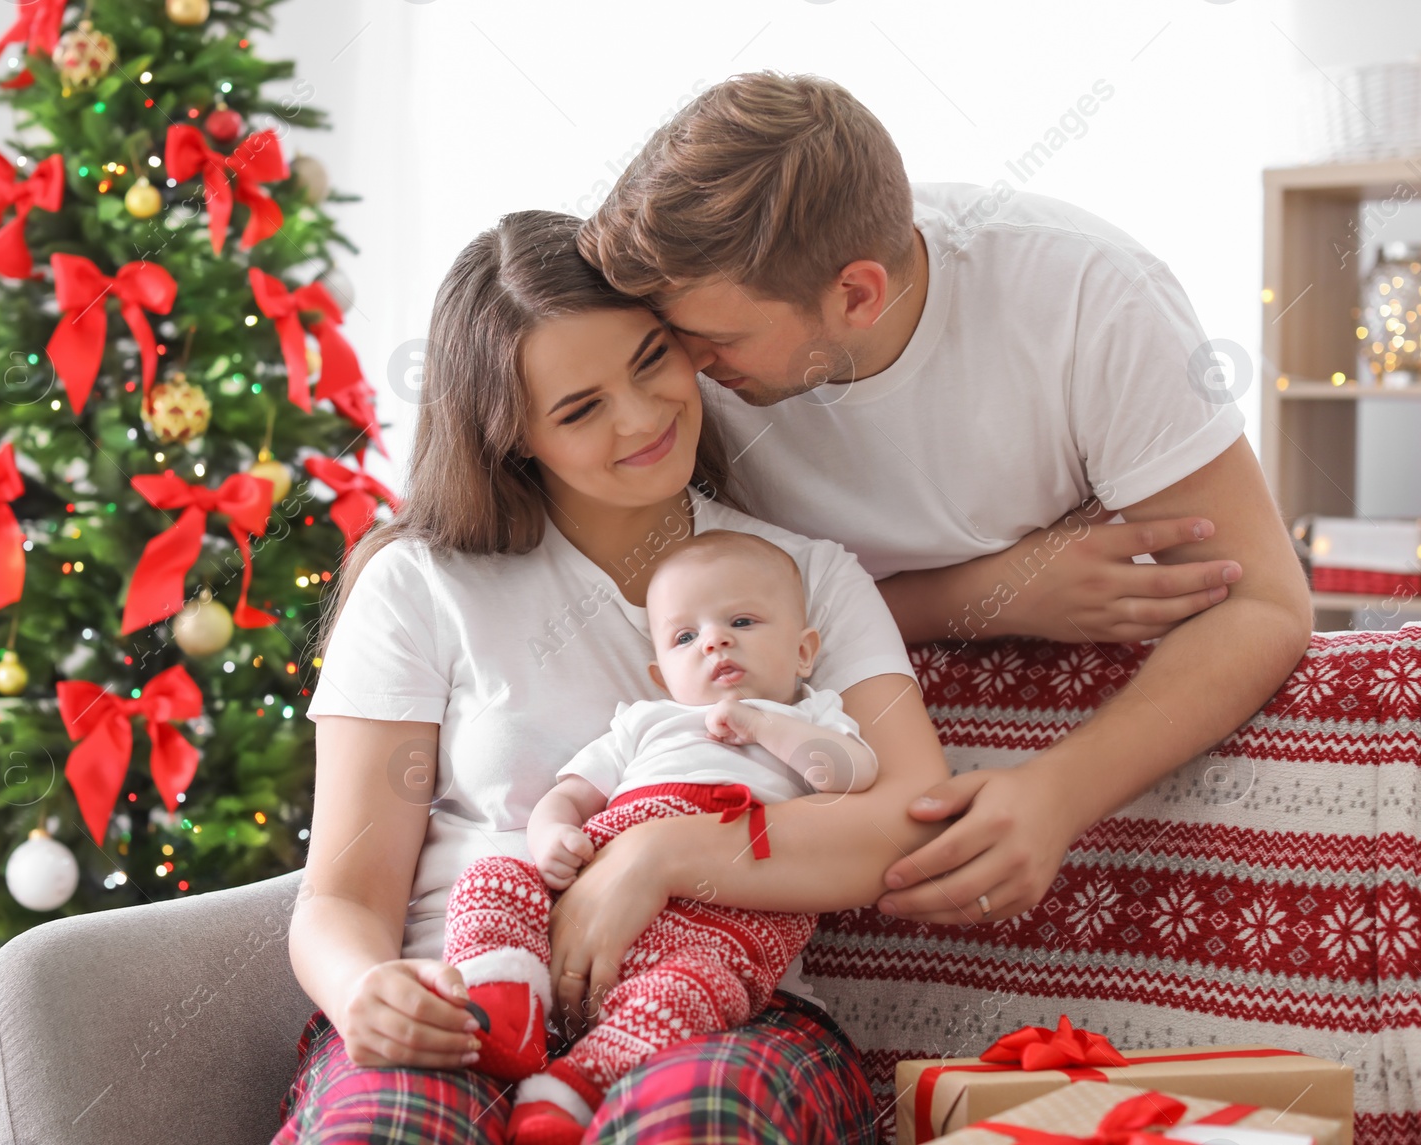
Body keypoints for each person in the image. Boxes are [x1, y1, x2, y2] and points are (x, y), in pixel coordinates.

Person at [567, 70, 1312, 963]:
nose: (675, 372)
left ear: (856, 295)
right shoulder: (683, 356)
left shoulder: (1088, 300)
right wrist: (992, 592)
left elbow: (1265, 600)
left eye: (713, 341)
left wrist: (1057, 791)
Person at [275, 210, 950, 1144]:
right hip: (462, 990)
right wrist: (364, 992)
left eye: (649, 361)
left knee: (696, 1122)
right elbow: (343, 896)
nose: (641, 417)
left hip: (719, 1006)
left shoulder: (804, 576)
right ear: (514, 437)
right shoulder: (419, 582)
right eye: (580, 408)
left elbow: (910, 820)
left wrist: (660, 853)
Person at [440, 531, 880, 1143]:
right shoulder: (646, 722)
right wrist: (552, 837)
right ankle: (503, 1003)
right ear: (661, 674)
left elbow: (853, 774)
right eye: (684, 637)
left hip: (726, 919)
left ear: (804, 651)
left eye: (742, 621)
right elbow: (568, 796)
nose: (715, 641)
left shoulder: (812, 716)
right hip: (591, 891)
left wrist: (764, 726)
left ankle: (571, 1091)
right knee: (493, 878)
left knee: (690, 993)